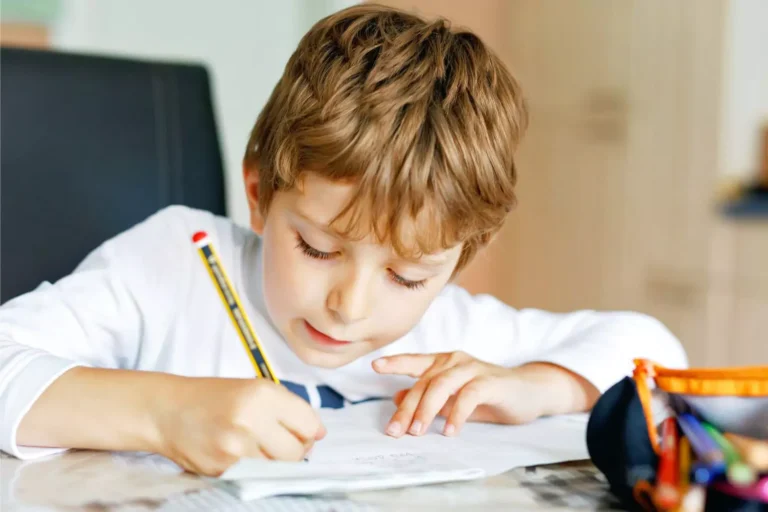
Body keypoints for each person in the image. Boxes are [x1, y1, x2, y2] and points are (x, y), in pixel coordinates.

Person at [0, 4, 686, 476]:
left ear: (459, 259)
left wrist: (537, 387)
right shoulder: (179, 263)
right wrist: (165, 413)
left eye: (408, 276)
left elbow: (654, 348)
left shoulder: (446, 335)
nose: (351, 307)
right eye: (319, 249)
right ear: (262, 195)